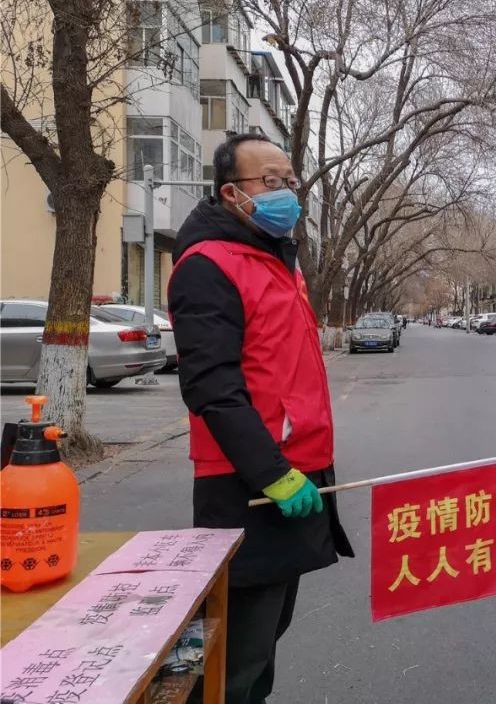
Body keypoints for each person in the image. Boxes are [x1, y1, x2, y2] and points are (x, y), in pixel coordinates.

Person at [168, 132, 353, 704]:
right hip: (248, 486)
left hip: (297, 477)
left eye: (290, 182)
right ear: (232, 192)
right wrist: (273, 473)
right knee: (232, 658)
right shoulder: (208, 266)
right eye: (270, 182)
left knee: (264, 641)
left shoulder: (276, 262)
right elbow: (212, 388)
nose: (287, 194)